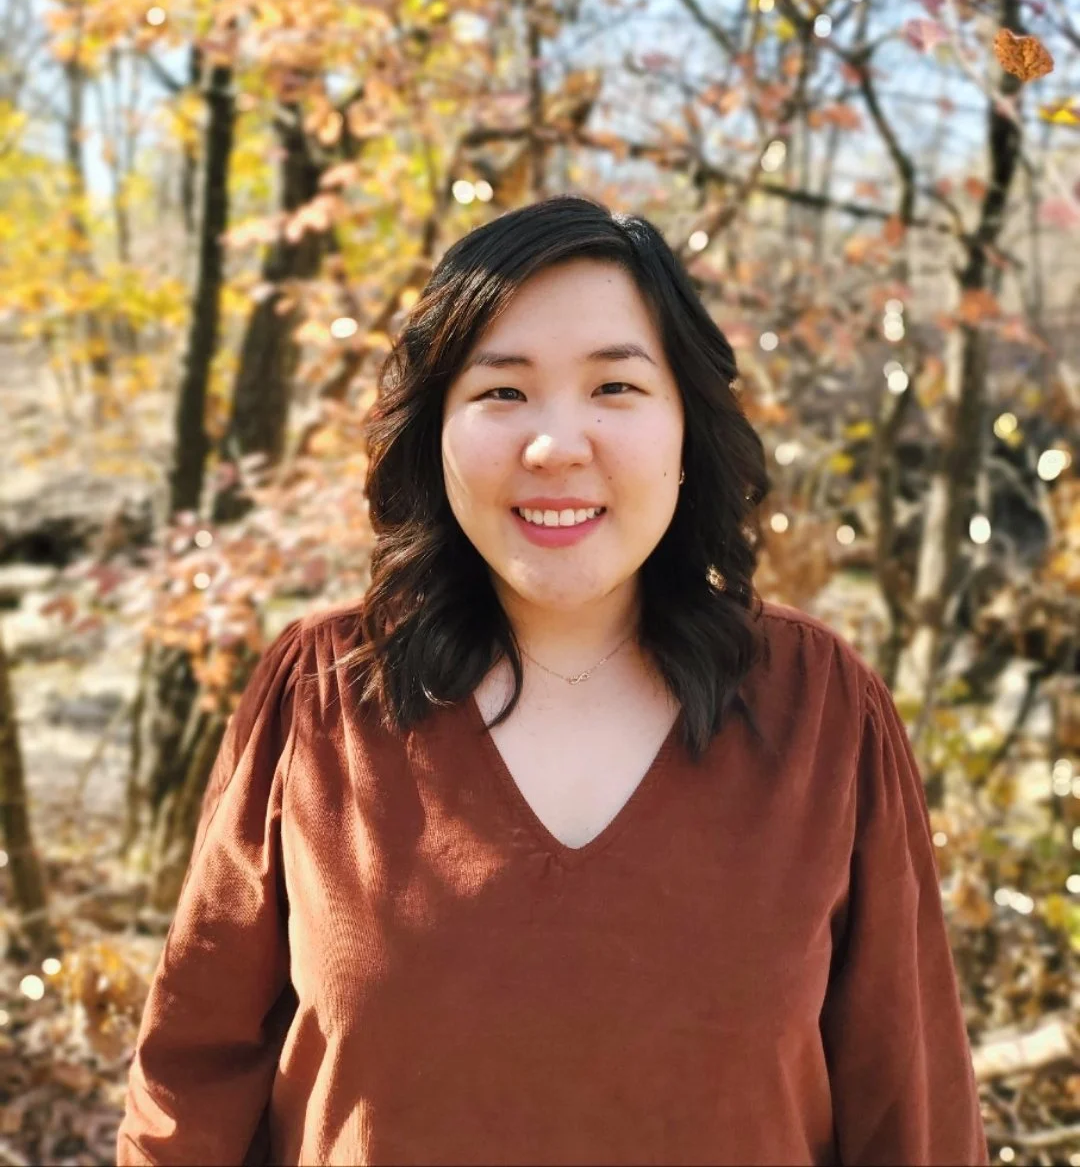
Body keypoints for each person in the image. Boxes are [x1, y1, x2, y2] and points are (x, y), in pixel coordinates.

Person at [117, 196, 989, 1166]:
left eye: (615, 387)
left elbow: (914, 1120)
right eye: (502, 392)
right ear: (436, 430)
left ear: (686, 425)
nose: (556, 443)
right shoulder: (321, 702)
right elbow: (187, 1093)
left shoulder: (822, 712)